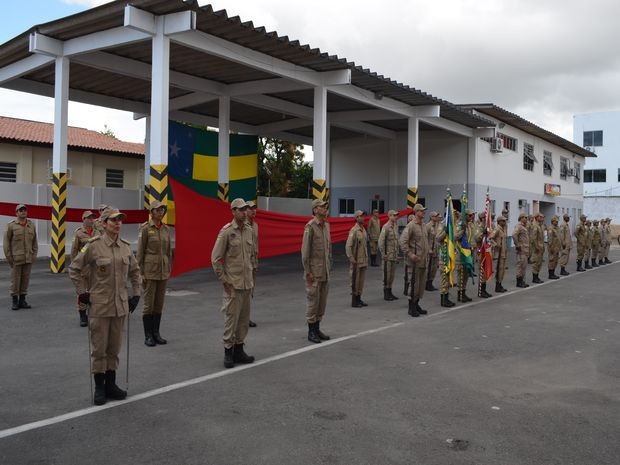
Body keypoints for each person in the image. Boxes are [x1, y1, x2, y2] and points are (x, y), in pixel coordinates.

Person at [69, 208, 141, 405]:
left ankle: (111, 384)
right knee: (99, 348)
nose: (117, 224)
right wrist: (83, 292)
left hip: (120, 306)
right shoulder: (93, 246)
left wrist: (136, 294)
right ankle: (99, 387)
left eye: (120, 220)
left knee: (114, 348)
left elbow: (135, 272)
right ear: (104, 223)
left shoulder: (126, 247)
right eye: (113, 220)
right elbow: (74, 269)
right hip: (100, 306)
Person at [211, 198, 256, 368]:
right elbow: (215, 258)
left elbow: (250, 256)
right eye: (241, 210)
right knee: (231, 320)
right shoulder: (227, 232)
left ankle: (239, 349)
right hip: (233, 284)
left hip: (246, 283)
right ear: (233, 212)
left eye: (246, 209)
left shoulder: (249, 231)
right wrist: (224, 280)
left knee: (244, 321)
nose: (245, 212)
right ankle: (228, 352)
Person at [137, 200, 173, 347]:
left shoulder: (166, 229)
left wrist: (169, 267)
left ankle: (156, 333)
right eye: (157, 210)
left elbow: (168, 251)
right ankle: (148, 335)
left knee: (159, 304)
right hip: (150, 271)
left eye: (162, 210)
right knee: (148, 305)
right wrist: (140, 272)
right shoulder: (146, 229)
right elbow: (140, 252)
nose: (160, 212)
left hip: (163, 271)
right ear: (151, 212)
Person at [301, 199, 332, 344]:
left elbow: (328, 250)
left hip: (324, 271)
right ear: (315, 210)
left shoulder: (326, 226)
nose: (325, 209)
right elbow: (305, 252)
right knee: (313, 302)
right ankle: (311, 331)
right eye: (322, 207)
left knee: (322, 302)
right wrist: (308, 272)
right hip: (314, 272)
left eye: (325, 207)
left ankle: (317, 328)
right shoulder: (310, 227)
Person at [4, 204, 38, 311]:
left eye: (24, 210)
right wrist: (9, 258)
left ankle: (22, 300)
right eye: (20, 210)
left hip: (28, 258)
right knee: (15, 280)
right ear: (16, 213)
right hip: (16, 258)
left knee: (25, 280)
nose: (23, 212)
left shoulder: (31, 225)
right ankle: (15, 301)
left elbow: (34, 243)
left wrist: (34, 256)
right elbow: (6, 243)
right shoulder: (11, 226)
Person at [399, 203, 429, 317]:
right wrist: (410, 254)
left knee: (421, 285)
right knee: (414, 284)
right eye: (421, 211)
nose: (423, 212)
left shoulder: (423, 225)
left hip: (423, 261)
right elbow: (402, 241)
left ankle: (416, 304)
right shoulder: (411, 225)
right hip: (414, 261)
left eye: (423, 210)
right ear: (416, 212)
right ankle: (411, 307)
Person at [70, 210, 97, 326]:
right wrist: (76, 266)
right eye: (89, 218)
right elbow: (74, 251)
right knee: (82, 292)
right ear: (83, 219)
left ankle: (94, 314)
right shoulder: (78, 233)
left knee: (95, 292)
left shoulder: (98, 232)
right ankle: (82, 315)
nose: (91, 220)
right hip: (83, 267)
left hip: (95, 268)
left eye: (92, 218)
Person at [346, 210, 369, 307]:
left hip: (363, 259)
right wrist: (351, 257)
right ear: (356, 218)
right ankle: (354, 300)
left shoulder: (363, 229)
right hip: (356, 260)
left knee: (361, 281)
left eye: (363, 216)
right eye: (360, 216)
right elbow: (348, 245)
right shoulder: (354, 230)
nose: (362, 218)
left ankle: (359, 298)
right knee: (355, 280)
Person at [378, 210, 400, 301]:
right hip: (388, 256)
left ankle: (390, 292)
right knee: (386, 275)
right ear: (389, 216)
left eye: (396, 215)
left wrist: (397, 253)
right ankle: (386, 294)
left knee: (392, 275)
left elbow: (396, 242)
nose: (396, 217)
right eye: (394, 215)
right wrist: (383, 254)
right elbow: (381, 242)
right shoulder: (386, 227)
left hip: (394, 255)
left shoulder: (395, 226)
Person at [474, 211, 492, 298]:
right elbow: (477, 238)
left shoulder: (486, 226)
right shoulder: (479, 226)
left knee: (485, 271)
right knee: (482, 271)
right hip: (481, 251)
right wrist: (483, 231)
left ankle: (484, 290)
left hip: (486, 251)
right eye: (486, 217)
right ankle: (481, 291)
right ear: (482, 218)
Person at [246, 201, 258, 328]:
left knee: (250, 292)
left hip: (253, 263)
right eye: (250, 208)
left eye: (254, 208)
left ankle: (246, 317)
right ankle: (242, 318)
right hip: (244, 264)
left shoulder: (255, 226)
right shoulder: (242, 226)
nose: (253, 211)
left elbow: (256, 245)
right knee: (243, 292)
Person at [490, 215, 508, 293]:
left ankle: (499, 284)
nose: (504, 222)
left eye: (505, 221)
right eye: (503, 221)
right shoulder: (497, 229)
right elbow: (490, 238)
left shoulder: (503, 229)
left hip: (503, 253)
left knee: (502, 270)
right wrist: (496, 244)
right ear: (499, 221)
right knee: (499, 270)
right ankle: (497, 286)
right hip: (498, 253)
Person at [425, 211, 442, 291]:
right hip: (429, 251)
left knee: (434, 268)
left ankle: (430, 283)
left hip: (436, 250)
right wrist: (428, 249)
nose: (436, 217)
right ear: (431, 217)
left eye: (437, 216)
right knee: (428, 267)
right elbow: (425, 239)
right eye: (435, 216)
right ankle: (426, 284)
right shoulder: (428, 226)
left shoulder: (438, 226)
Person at [512, 213, 530, 288]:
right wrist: (517, 245)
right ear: (521, 218)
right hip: (521, 249)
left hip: (525, 249)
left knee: (524, 266)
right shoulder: (519, 226)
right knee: (520, 265)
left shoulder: (524, 227)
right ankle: (519, 282)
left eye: (526, 217)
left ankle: (522, 280)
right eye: (525, 217)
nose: (526, 219)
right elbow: (514, 234)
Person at [530, 213, 546, 284]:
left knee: (539, 263)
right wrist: (536, 247)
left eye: (543, 217)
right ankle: (534, 278)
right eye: (541, 217)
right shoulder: (535, 226)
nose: (542, 218)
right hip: (537, 248)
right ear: (536, 218)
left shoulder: (541, 226)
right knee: (536, 263)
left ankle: (537, 276)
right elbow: (533, 238)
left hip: (541, 247)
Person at [547, 215, 561, 279]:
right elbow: (550, 239)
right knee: (552, 261)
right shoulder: (551, 229)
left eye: (557, 221)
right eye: (556, 221)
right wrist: (551, 247)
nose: (557, 222)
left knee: (555, 261)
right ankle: (550, 274)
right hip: (552, 247)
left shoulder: (557, 228)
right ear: (552, 221)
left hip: (557, 247)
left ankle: (553, 273)